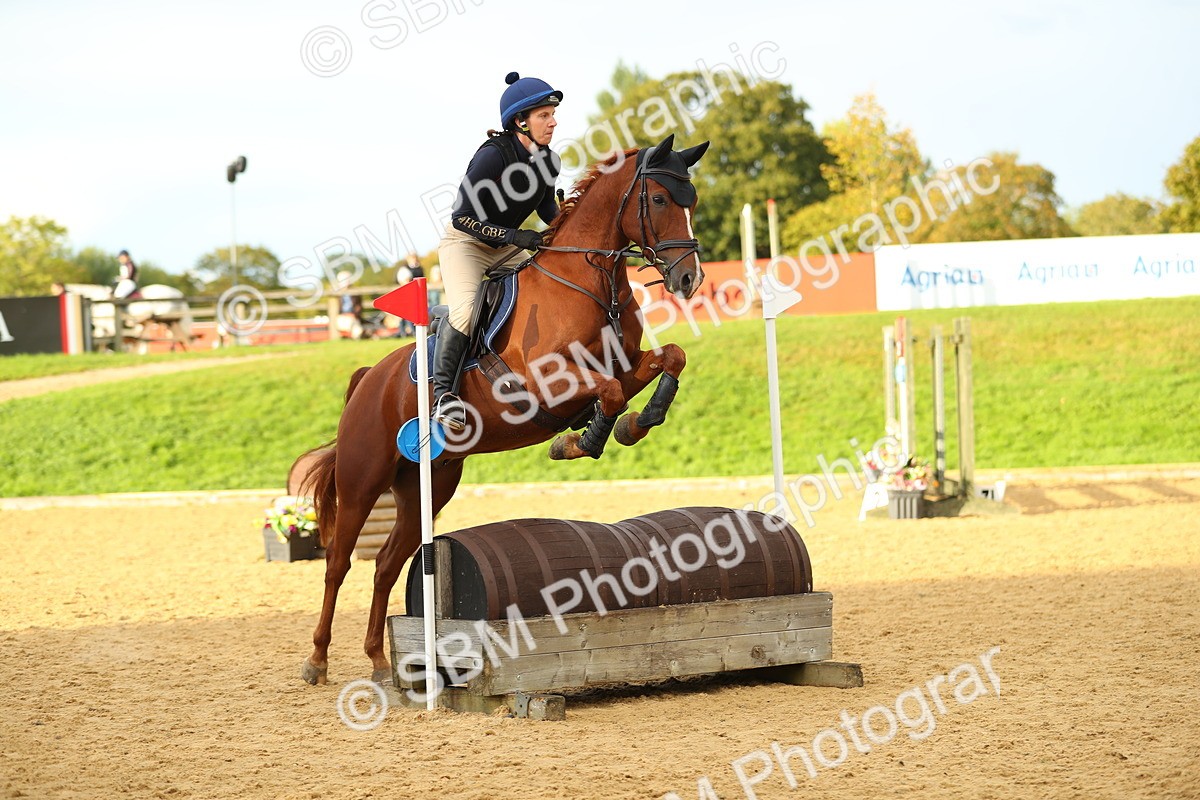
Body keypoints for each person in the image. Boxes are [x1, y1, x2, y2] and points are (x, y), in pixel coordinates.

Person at [432, 71, 563, 431]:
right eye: (544, 115)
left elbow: (548, 210)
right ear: (520, 121)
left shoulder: (549, 160)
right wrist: (516, 236)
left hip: (507, 246)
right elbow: (461, 218)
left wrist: (568, 223)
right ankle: (444, 395)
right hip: (467, 245)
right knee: (466, 310)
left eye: (552, 114)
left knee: (550, 281)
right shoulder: (493, 157)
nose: (553, 121)